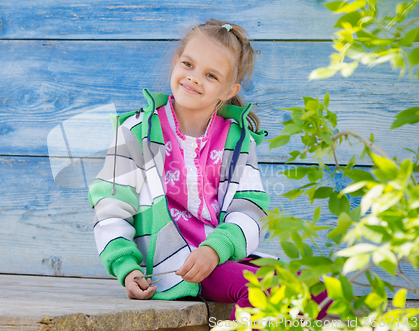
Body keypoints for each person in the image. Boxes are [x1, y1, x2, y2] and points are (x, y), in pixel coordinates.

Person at [88, 19, 329, 321]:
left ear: (230, 90)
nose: (193, 78)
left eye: (211, 75)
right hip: (172, 267)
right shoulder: (135, 132)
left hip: (217, 256)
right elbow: (111, 209)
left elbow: (249, 209)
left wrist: (215, 249)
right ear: (176, 62)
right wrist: (126, 267)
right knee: (262, 291)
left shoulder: (237, 139)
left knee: (319, 287)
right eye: (188, 64)